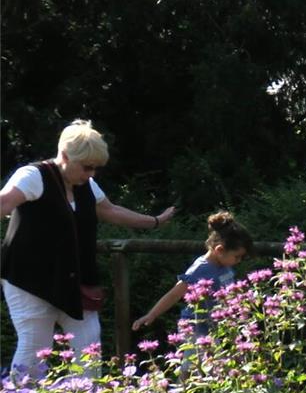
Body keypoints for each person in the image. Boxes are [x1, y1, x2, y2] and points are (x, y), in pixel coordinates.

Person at [0, 119, 176, 377]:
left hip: (73, 279)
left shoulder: (87, 185)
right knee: (35, 349)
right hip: (29, 279)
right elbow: (3, 203)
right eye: (87, 167)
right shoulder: (33, 176)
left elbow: (110, 210)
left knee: (89, 348)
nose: (91, 173)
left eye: (95, 168)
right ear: (65, 156)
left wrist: (155, 221)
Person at [133, 211, 253, 336]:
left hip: (216, 329)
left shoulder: (226, 266)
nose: (239, 261)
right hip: (195, 330)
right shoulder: (200, 269)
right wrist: (152, 314)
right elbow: (175, 293)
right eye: (237, 256)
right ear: (220, 250)